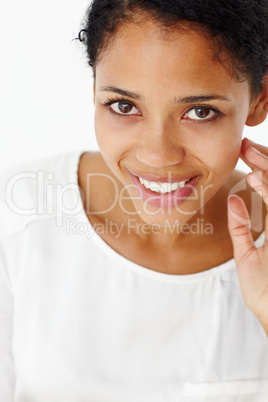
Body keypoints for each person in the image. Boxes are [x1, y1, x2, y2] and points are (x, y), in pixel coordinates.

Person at [1, 0, 268, 400]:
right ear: (94, 89)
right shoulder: (15, 220)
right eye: (124, 106)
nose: (157, 155)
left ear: (260, 99)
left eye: (200, 111)